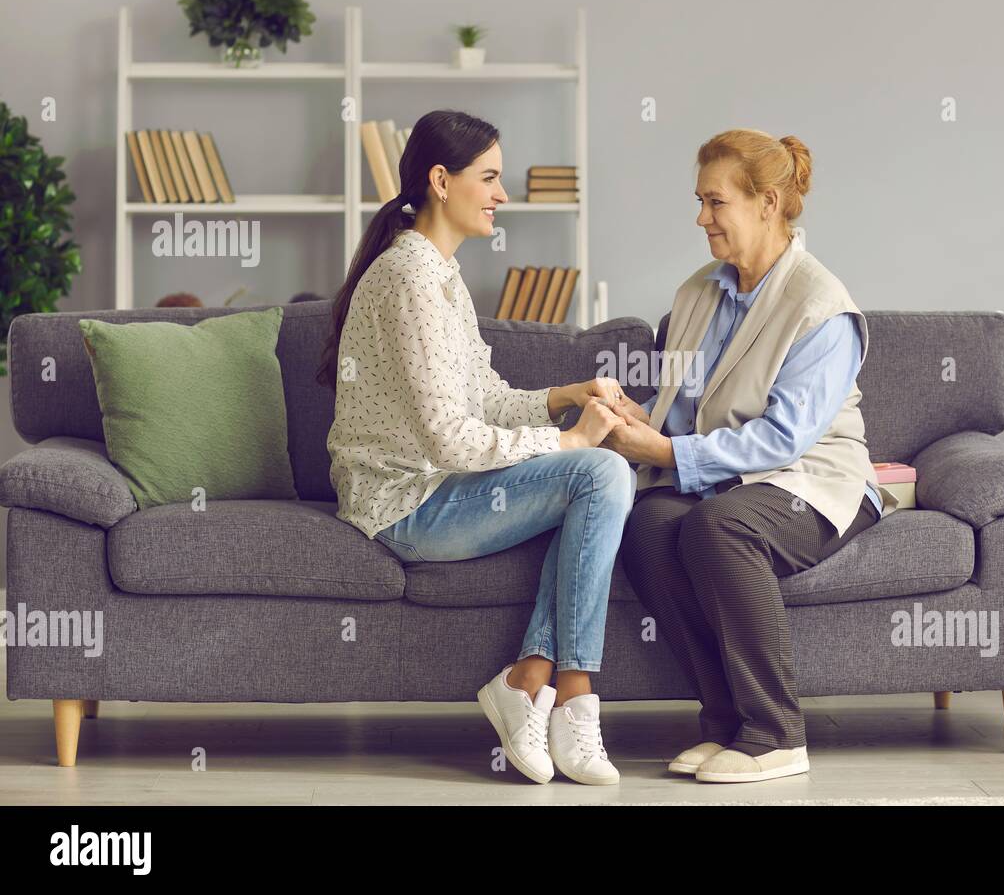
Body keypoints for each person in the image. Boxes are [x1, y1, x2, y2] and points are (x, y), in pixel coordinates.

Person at [319, 109, 633, 786]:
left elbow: (482, 398)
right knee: (600, 475)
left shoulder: (437, 273)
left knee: (598, 476)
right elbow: (448, 439)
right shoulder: (410, 280)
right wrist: (570, 439)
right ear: (441, 180)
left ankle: (531, 680)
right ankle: (570, 697)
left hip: (432, 486)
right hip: (406, 502)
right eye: (489, 178)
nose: (501, 195)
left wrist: (565, 395)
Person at [607, 128, 896, 784]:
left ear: (767, 202)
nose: (701, 217)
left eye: (715, 202)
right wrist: (638, 418)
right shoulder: (695, 295)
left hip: (814, 482)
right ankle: (725, 724)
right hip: (729, 480)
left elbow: (784, 438)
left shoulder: (822, 307)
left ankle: (775, 734)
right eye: (700, 201)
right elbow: (682, 407)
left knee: (720, 526)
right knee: (649, 525)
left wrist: (665, 450)